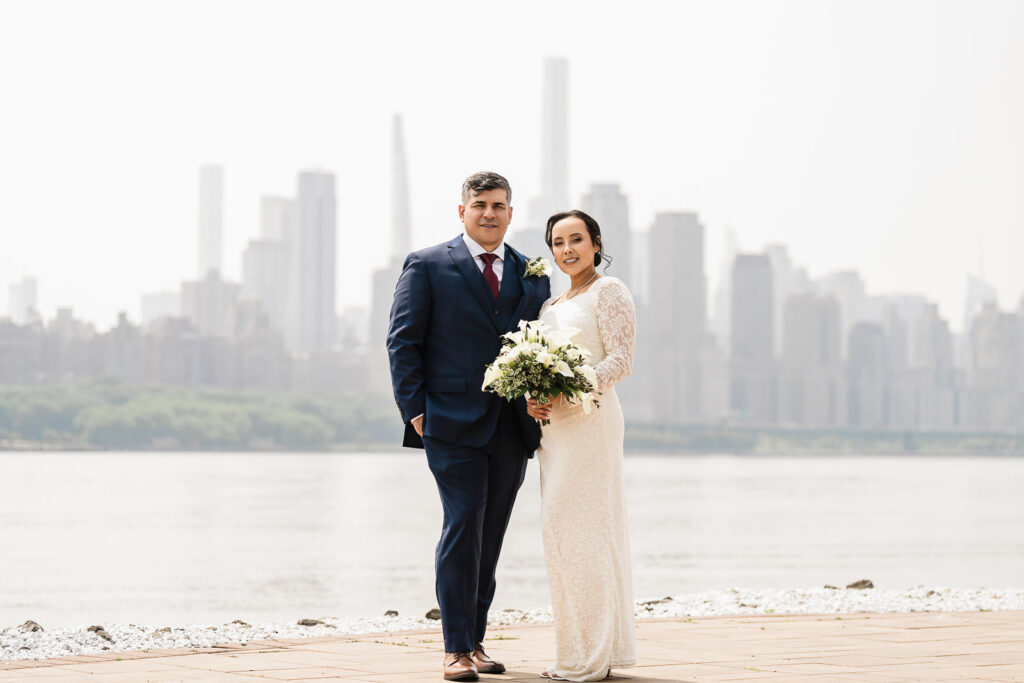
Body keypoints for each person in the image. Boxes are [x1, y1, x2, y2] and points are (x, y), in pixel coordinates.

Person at [387, 171, 551, 682]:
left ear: (510, 212)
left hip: (512, 425)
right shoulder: (429, 264)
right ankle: (454, 648)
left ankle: (476, 641)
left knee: (492, 532)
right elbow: (402, 341)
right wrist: (417, 412)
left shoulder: (533, 272)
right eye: (480, 204)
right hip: (449, 422)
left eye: (499, 205)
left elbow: (539, 344)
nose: (489, 213)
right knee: (463, 525)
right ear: (462, 211)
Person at [526, 210, 638, 681]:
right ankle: (581, 648)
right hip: (556, 432)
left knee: (589, 533)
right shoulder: (551, 305)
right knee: (561, 535)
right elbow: (541, 368)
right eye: (558, 242)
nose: (567, 249)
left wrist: (571, 387)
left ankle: (589, 659)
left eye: (576, 239)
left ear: (595, 243)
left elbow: (621, 361)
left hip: (591, 423)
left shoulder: (608, 291)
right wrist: (533, 396)